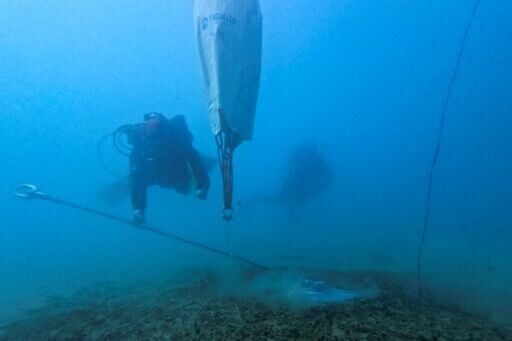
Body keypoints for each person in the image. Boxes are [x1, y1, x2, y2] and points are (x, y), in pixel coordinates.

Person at [127, 112, 210, 223]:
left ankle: (189, 177)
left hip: (176, 172)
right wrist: (138, 209)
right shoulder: (141, 146)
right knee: (137, 177)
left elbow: (194, 159)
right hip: (155, 173)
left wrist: (203, 184)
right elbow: (137, 177)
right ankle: (132, 182)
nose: (154, 144)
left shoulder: (176, 140)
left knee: (184, 190)